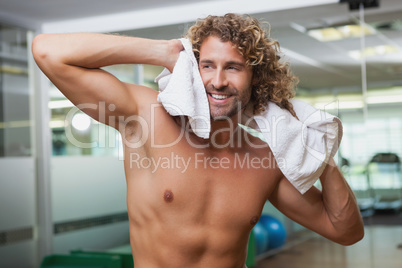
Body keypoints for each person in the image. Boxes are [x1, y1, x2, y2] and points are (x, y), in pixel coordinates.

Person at [33, 13, 364, 268]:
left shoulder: (267, 159)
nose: (217, 81)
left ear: (255, 77)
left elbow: (345, 231)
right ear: (192, 68)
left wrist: (321, 153)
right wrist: (163, 52)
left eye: (233, 67)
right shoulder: (146, 116)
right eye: (207, 65)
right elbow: (47, 51)